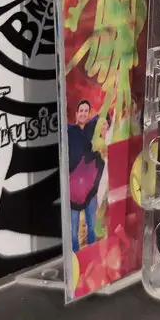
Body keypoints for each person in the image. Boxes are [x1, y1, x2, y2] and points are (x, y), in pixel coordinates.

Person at [67, 99, 106, 250]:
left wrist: (113, 91)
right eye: (81, 111)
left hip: (90, 188)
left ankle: (92, 255)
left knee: (92, 226)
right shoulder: (69, 130)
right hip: (73, 189)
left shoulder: (91, 128)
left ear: (89, 114)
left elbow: (103, 113)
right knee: (73, 231)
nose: (83, 113)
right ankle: (75, 258)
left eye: (86, 111)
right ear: (76, 114)